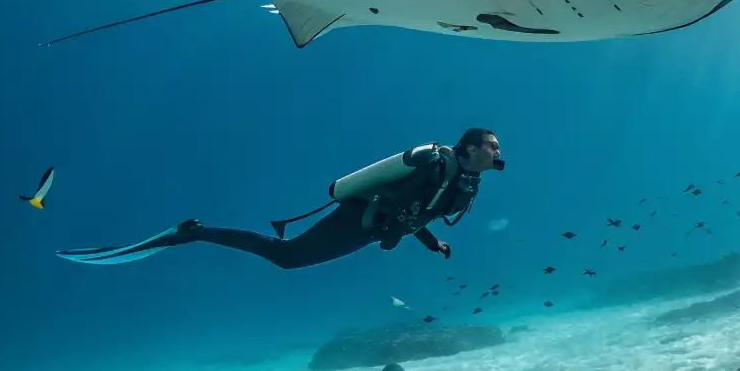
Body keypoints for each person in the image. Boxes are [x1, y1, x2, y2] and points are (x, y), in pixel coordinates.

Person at [57, 129, 503, 270]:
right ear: (468, 148)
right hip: (359, 218)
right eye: (492, 147)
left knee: (289, 261)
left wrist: (433, 244)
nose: (498, 154)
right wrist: (397, 229)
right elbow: (402, 203)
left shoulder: (464, 184)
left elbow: (418, 215)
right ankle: (192, 233)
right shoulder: (435, 165)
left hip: (374, 232)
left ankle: (193, 232)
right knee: (286, 257)